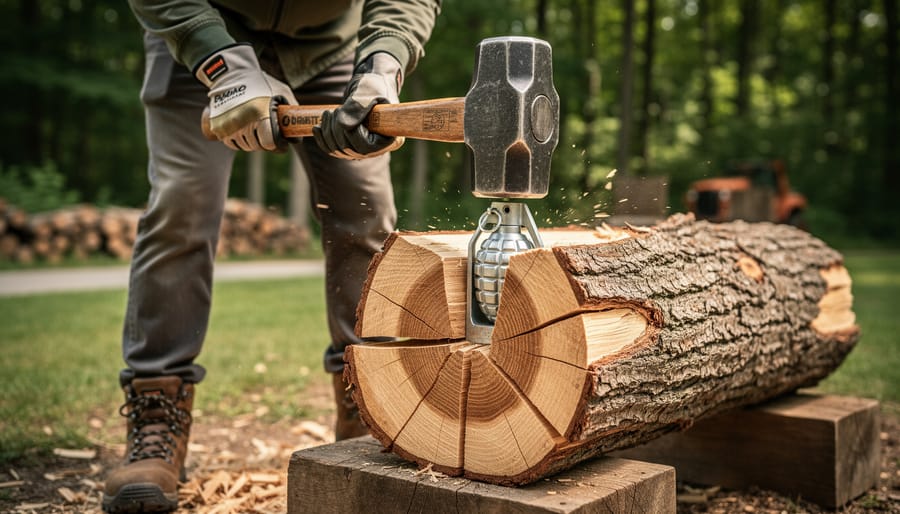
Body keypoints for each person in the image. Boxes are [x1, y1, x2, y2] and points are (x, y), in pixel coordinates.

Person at [103, 2, 441, 512]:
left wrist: (382, 65)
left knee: (366, 211)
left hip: (332, 51)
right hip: (200, 36)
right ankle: (157, 415)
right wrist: (224, 66)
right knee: (181, 206)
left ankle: (367, 408)